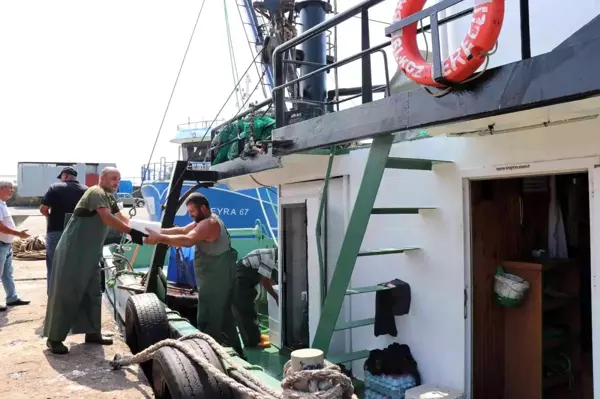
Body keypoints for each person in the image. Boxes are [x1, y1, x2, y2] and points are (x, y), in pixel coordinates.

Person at [43, 167, 148, 354]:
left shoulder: (109, 196)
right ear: (103, 178)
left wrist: (141, 230)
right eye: (113, 178)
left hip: (90, 252)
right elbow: (106, 217)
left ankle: (93, 332)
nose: (116, 182)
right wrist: (131, 232)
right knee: (67, 293)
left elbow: (119, 216)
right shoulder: (96, 192)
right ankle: (54, 338)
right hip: (74, 252)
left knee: (93, 292)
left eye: (119, 179)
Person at [144, 193, 243, 356]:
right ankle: (238, 353)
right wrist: (155, 230)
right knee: (224, 317)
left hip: (216, 280)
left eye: (192, 211)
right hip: (215, 278)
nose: (190, 215)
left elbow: (187, 240)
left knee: (209, 316)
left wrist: (159, 238)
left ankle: (210, 355)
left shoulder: (209, 224)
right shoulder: (205, 220)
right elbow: (182, 230)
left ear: (203, 208)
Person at [39, 166, 87, 293]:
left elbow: (43, 209)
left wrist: (50, 218)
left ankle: (53, 294)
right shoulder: (86, 190)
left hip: (56, 231)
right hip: (78, 233)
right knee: (76, 264)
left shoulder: (55, 187)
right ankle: (74, 294)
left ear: (64, 175)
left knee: (54, 265)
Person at [233, 247, 279, 349]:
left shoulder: (268, 253)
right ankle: (252, 343)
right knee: (245, 312)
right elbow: (264, 281)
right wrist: (276, 296)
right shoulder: (270, 257)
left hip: (245, 283)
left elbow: (267, 277)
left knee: (251, 310)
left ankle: (257, 337)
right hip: (240, 282)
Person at [0, 181, 31, 312]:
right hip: (1, 244)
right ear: (1, 189)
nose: (12, 190)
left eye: (13, 188)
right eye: (10, 188)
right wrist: (18, 233)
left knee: (7, 274)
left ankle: (12, 298)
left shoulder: (3, 204)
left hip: (6, 245)